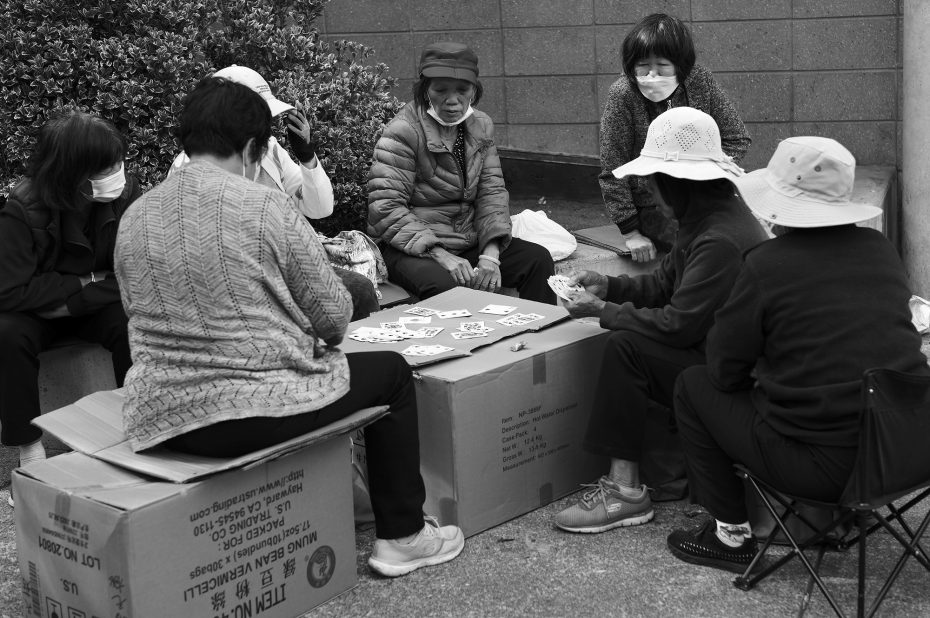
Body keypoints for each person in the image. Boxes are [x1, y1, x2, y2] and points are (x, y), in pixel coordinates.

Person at [114, 76, 463, 578]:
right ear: (255, 147)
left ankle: (359, 499)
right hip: (244, 414)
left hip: (158, 419)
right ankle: (403, 535)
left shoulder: (136, 213)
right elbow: (334, 318)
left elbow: (138, 312)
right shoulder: (265, 205)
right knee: (390, 372)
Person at [666, 137, 930, 573]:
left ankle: (729, 536)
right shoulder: (880, 250)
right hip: (909, 447)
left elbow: (723, 370)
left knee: (691, 385)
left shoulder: (765, 264)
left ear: (779, 205)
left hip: (827, 472)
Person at [552, 107, 768, 534]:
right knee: (627, 339)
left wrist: (604, 313)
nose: (650, 192)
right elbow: (665, 286)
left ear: (677, 182)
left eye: (652, 183)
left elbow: (678, 324)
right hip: (715, 355)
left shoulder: (720, 238)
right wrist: (608, 287)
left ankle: (624, 492)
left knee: (625, 347)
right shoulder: (705, 217)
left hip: (734, 380)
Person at [168, 65, 380, 321]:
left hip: (282, 263)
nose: (264, 126)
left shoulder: (268, 148)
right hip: (230, 279)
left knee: (358, 290)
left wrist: (307, 156)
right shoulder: (189, 164)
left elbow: (320, 209)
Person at [0, 109, 137, 481]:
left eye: (117, 164)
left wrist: (73, 300)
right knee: (7, 332)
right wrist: (83, 281)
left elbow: (133, 271)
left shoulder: (124, 195)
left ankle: (141, 432)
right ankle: (29, 454)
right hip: (36, 315)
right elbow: (9, 291)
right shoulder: (23, 207)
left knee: (132, 320)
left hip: (89, 306)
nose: (116, 175)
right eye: (105, 168)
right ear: (71, 172)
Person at [367, 42, 556, 304]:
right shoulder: (403, 131)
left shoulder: (481, 125)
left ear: (474, 91)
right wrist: (440, 254)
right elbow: (385, 207)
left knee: (537, 260)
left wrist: (490, 253)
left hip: (466, 240)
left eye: (462, 90)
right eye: (440, 90)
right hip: (413, 247)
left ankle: (540, 339)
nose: (452, 100)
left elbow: (491, 192)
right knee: (445, 288)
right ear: (425, 91)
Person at [600, 13, 751, 263]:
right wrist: (631, 231)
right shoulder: (622, 94)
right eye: (643, 65)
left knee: (742, 237)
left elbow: (737, 138)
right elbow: (612, 167)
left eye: (662, 65)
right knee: (700, 249)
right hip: (654, 205)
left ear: (680, 66)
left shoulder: (699, 80)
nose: (652, 75)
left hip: (707, 196)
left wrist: (702, 171)